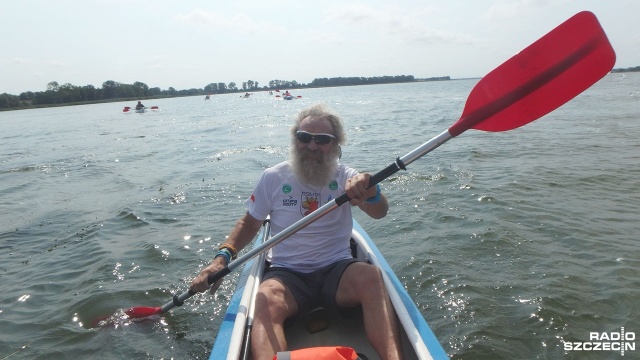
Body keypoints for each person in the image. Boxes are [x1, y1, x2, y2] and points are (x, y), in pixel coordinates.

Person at [190, 103, 404, 360]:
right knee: (265, 299)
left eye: (322, 139)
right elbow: (250, 223)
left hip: (337, 269)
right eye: (304, 137)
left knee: (372, 277)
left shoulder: (347, 176)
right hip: (287, 274)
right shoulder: (273, 177)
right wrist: (221, 258)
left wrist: (372, 193)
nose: (312, 146)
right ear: (295, 140)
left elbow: (379, 212)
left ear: (336, 145)